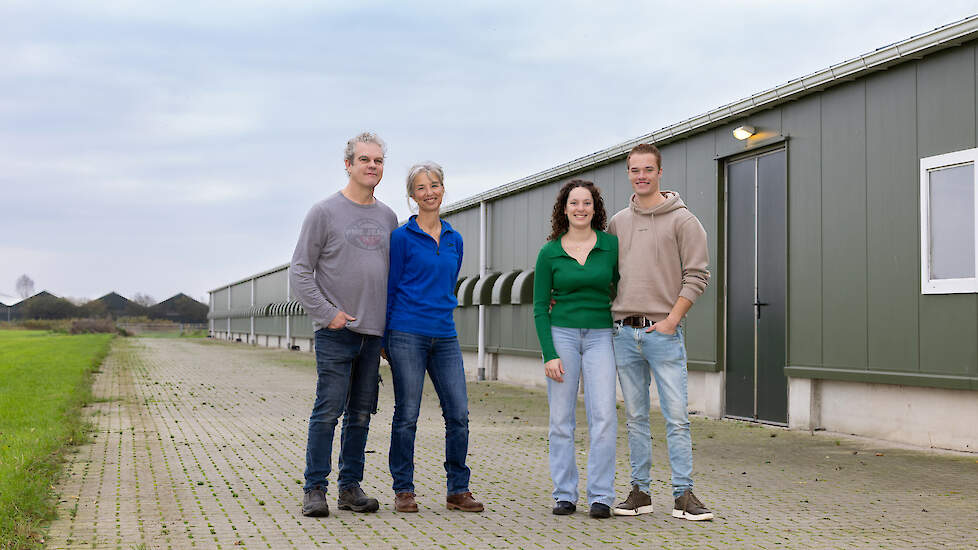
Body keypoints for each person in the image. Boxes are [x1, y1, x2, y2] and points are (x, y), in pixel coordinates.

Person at [291, 132, 399, 518]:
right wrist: (328, 313)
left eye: (379, 161)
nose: (373, 166)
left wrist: (388, 330)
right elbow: (300, 271)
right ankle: (314, 488)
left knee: (360, 414)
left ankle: (350, 488)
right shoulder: (323, 212)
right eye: (365, 160)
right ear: (348, 164)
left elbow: (392, 276)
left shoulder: (388, 217)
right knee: (328, 410)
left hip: (372, 334)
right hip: (336, 333)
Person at [609, 143, 713, 520]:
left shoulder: (684, 221)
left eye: (648, 169)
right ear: (628, 173)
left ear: (659, 172)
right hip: (623, 334)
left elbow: (698, 275)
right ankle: (640, 492)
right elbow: (606, 275)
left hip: (663, 333)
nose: (641, 176)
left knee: (676, 417)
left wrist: (670, 321)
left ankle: (684, 495)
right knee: (635, 418)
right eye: (634, 170)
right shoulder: (618, 222)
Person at [384, 162, 484, 514]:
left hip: (445, 336)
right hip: (406, 333)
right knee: (407, 414)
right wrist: (386, 338)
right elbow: (391, 287)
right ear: (412, 195)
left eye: (435, 185)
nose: (430, 192)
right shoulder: (400, 238)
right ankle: (404, 490)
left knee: (458, 413)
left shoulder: (455, 238)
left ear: (443, 189)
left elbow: (449, 282)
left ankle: (458, 490)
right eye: (422, 187)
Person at [532, 179, 619, 519]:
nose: (580, 209)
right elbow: (539, 307)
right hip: (562, 336)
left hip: (601, 336)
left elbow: (623, 288)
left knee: (604, 416)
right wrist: (549, 352)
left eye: (587, 203)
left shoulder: (611, 245)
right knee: (560, 420)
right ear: (564, 209)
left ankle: (601, 496)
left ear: (595, 209)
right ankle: (565, 494)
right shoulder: (549, 252)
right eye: (574, 203)